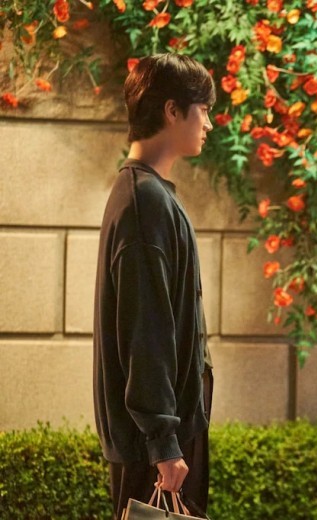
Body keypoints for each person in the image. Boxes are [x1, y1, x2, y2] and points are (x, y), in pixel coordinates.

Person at [93, 53, 215, 519]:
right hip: (156, 449)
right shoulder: (145, 201)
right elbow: (146, 333)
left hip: (162, 439)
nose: (208, 124)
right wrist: (163, 441)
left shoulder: (146, 194)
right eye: (203, 109)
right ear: (172, 110)